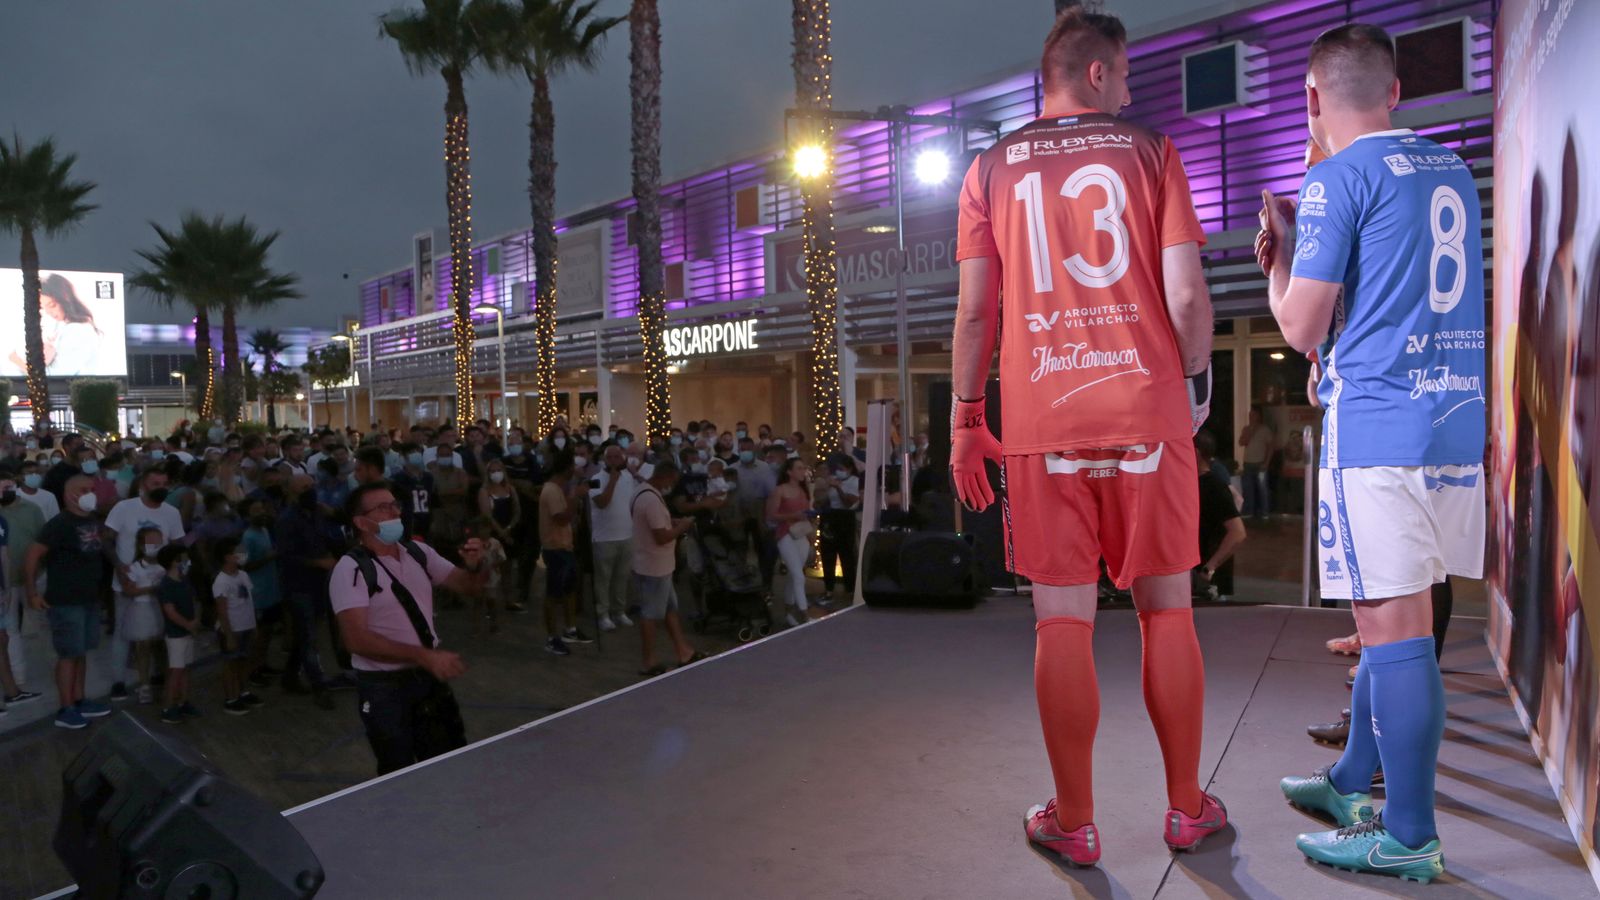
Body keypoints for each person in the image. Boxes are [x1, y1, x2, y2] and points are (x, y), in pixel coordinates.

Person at [949, 6, 1223, 866]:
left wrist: (966, 420)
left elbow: (974, 312)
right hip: (1147, 414)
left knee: (1059, 625)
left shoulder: (988, 169)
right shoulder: (1152, 154)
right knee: (1168, 613)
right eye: (1129, 72)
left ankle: (1075, 821)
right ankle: (1186, 809)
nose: (1132, 87)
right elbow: (1185, 299)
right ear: (1098, 72)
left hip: (1042, 421)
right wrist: (1194, 385)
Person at [1257, 24, 1485, 882]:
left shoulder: (1336, 178)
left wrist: (1279, 266)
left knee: (1392, 632)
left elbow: (1299, 325)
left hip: (1380, 430)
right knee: (1407, 619)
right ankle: (1355, 779)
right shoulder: (1451, 168)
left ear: (1315, 101)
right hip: (1452, 422)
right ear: (1395, 93)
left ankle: (1409, 833)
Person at [331, 482, 489, 775]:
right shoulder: (350, 569)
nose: (395, 512)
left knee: (447, 760)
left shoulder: (419, 553)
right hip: (384, 690)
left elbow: (470, 587)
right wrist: (424, 656)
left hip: (426, 680)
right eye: (383, 507)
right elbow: (356, 640)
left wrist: (475, 566)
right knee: (398, 771)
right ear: (360, 522)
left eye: (395, 505)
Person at [25, 476, 113, 729]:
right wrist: (32, 592)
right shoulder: (60, 524)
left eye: (92, 490)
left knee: (80, 651)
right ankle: (66, 707)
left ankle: (79, 698)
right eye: (84, 490)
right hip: (65, 599)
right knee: (68, 653)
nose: (90, 494)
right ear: (69, 495)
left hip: (88, 597)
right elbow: (33, 555)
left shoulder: (90, 520)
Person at [104, 468, 186, 702]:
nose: (160, 486)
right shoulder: (124, 508)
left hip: (160, 584)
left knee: (159, 631)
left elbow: (178, 545)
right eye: (155, 482)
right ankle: (118, 681)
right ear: (143, 484)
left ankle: (157, 675)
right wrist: (119, 566)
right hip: (127, 580)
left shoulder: (171, 513)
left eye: (164, 482)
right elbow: (107, 539)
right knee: (123, 632)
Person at [630, 460, 707, 678]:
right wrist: (681, 527)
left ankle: (684, 651)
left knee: (670, 609)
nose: (672, 486)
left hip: (653, 563)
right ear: (665, 477)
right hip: (654, 566)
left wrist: (671, 521)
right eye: (672, 481)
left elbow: (650, 523)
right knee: (651, 614)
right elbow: (661, 536)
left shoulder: (641, 493)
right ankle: (648, 661)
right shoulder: (651, 500)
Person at [538, 450, 592, 655]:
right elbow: (561, 518)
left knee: (569, 590)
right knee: (553, 594)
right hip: (555, 548)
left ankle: (570, 629)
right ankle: (552, 638)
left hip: (565, 546)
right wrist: (574, 497)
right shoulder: (552, 491)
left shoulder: (559, 488)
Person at [0, 478, 45, 706]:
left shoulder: (28, 510)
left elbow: (4, 556)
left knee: (9, 634)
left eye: (7, 486)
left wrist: (7, 588)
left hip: (17, 581)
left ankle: (14, 686)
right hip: (5, 585)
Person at [116, 526, 170, 705]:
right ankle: (144, 683)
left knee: (162, 647)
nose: (155, 545)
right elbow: (128, 590)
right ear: (141, 546)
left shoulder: (167, 566)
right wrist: (152, 589)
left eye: (158, 541)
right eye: (151, 542)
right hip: (142, 610)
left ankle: (165, 680)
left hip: (163, 609)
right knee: (143, 647)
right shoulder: (135, 567)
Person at [211, 535, 263, 716]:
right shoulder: (221, 581)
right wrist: (229, 634)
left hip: (246, 626)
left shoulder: (243, 575)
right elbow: (222, 611)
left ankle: (242, 690)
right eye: (238, 552)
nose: (243, 555)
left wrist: (254, 625)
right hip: (232, 630)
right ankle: (230, 697)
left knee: (243, 661)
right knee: (230, 664)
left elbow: (249, 601)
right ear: (227, 556)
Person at [1193, 432, 1246, 601]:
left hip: (1207, 583)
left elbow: (1238, 533)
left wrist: (1209, 567)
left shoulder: (1214, 486)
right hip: (1193, 577)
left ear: (1195, 453)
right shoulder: (1190, 483)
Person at [589, 444, 636, 631]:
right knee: (603, 578)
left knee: (622, 577)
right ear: (604, 459)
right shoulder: (595, 479)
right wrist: (613, 481)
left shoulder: (629, 477)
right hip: (604, 538)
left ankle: (619, 611)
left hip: (626, 535)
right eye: (611, 458)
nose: (615, 461)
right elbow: (601, 503)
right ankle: (603, 614)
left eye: (618, 457)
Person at [766, 458, 817, 627]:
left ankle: (788, 612)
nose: (803, 471)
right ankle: (804, 613)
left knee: (794, 574)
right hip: (786, 533)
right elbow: (771, 515)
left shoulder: (803, 490)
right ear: (789, 472)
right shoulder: (780, 490)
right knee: (797, 575)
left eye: (804, 468)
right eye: (799, 468)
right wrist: (793, 516)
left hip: (801, 533)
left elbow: (807, 511)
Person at [155, 543, 202, 723]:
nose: (186, 560)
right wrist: (189, 625)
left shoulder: (184, 579)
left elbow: (193, 600)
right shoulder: (166, 584)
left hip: (187, 632)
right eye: (183, 557)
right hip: (176, 634)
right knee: (176, 670)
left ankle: (183, 702)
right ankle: (168, 707)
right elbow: (170, 611)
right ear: (174, 561)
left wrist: (195, 621)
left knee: (186, 668)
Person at [240, 498, 283, 688]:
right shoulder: (247, 537)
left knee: (267, 632)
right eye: (255, 511)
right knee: (257, 636)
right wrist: (269, 558)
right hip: (257, 592)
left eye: (261, 509)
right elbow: (244, 565)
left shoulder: (264, 531)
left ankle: (262, 664)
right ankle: (251, 670)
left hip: (270, 590)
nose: (261, 513)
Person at [817, 454, 861, 604]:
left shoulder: (855, 481)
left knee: (847, 555)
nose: (838, 472)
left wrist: (839, 488)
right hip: (830, 518)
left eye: (841, 469)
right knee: (827, 553)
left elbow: (850, 503)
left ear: (849, 469)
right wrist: (825, 489)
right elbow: (822, 502)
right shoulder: (831, 480)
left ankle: (850, 589)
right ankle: (828, 588)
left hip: (846, 518)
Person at [1237, 406, 1273, 519]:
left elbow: (1271, 447)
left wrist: (1266, 463)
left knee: (1262, 489)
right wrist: (1249, 433)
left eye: (1253, 415)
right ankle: (1248, 511)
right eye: (1249, 415)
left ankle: (1265, 512)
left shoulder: (1265, 429)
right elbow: (1241, 442)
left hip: (1260, 463)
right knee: (1248, 489)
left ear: (1258, 416)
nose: (1250, 417)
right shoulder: (1246, 429)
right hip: (1248, 463)